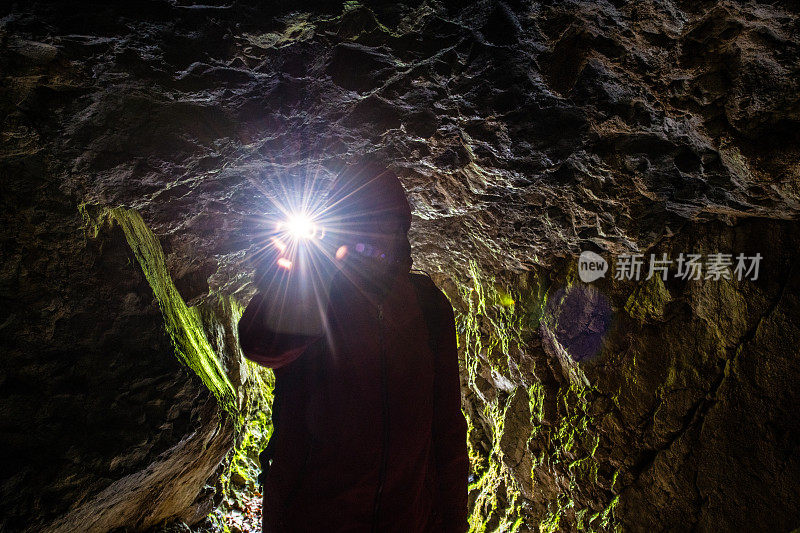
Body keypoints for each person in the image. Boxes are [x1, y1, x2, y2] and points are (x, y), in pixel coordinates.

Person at [237, 157, 469, 532]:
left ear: (401, 229)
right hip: (312, 517)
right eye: (364, 222)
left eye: (387, 223)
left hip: (408, 519)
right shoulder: (313, 292)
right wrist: (292, 280)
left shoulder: (428, 306)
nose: (377, 236)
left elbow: (447, 430)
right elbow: (261, 345)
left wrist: (453, 522)